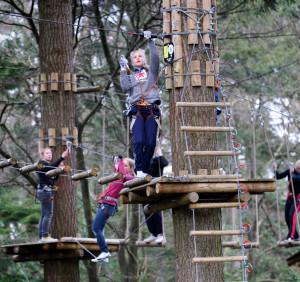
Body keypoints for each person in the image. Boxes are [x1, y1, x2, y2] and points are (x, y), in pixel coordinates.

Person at [119, 31, 161, 178]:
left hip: (151, 110)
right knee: (139, 141)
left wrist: (150, 41)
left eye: (140, 56)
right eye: (135, 57)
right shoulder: (131, 77)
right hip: (137, 111)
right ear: (132, 62)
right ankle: (140, 170)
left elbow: (155, 59)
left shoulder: (152, 73)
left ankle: (145, 167)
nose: (138, 59)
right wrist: (123, 69)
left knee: (150, 143)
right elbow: (124, 87)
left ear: (144, 59)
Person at [91, 156, 135, 262]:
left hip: (107, 205)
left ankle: (105, 251)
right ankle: (104, 255)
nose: (122, 167)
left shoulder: (126, 176)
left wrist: (119, 160)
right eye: (122, 165)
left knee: (96, 228)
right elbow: (117, 170)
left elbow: (128, 175)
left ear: (130, 168)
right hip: (105, 203)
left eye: (125, 165)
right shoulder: (118, 176)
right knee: (99, 229)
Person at [36, 147, 69, 242]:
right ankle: (45, 236)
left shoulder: (46, 166)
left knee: (44, 215)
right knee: (48, 214)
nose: (49, 155)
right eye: (47, 153)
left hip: (43, 191)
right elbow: (51, 167)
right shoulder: (41, 163)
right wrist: (62, 158)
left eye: (50, 153)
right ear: (42, 155)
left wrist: (58, 171)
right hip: (45, 191)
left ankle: (41, 236)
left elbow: (53, 180)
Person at [143, 143, 168, 244]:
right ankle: (153, 234)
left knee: (155, 211)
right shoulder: (145, 161)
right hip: (145, 189)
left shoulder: (157, 160)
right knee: (146, 211)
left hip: (155, 189)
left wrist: (158, 151)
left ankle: (160, 234)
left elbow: (165, 162)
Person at [274, 160, 300, 242]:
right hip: (290, 198)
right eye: (298, 168)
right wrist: (275, 169)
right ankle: (295, 236)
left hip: (298, 198)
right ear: (295, 167)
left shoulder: (294, 173)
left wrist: (292, 174)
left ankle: (291, 236)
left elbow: (297, 179)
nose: (299, 170)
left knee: (292, 215)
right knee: (287, 217)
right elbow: (278, 176)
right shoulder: (290, 170)